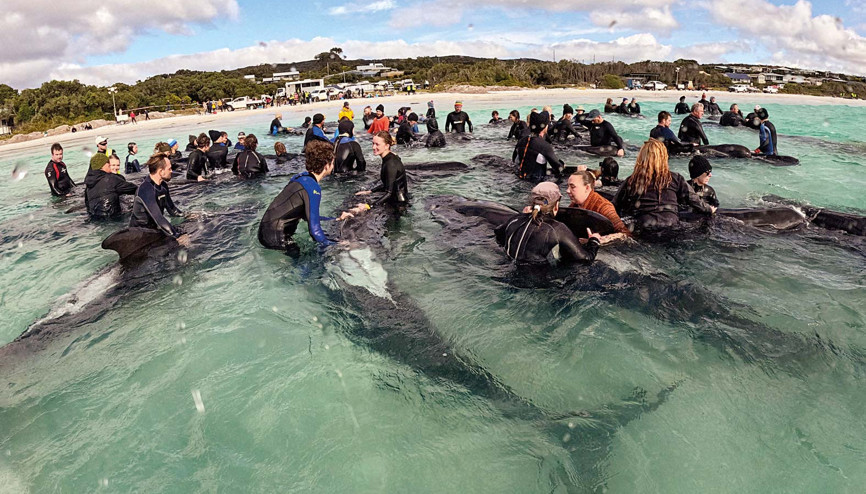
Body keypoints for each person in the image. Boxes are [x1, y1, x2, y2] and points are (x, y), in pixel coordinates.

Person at [258, 140, 354, 253]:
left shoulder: (300, 177)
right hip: (276, 238)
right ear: (327, 164)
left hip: (265, 232)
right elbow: (315, 231)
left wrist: (336, 219)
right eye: (333, 162)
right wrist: (339, 245)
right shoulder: (313, 188)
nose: (333, 166)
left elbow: (307, 217)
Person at [612, 139, 715, 231]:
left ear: (641, 158)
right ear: (664, 157)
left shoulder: (631, 180)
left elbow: (614, 206)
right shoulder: (675, 178)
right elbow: (694, 200)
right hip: (671, 225)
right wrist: (709, 209)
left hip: (644, 226)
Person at [494, 182, 601, 264]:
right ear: (556, 206)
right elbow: (586, 259)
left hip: (508, 273)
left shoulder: (515, 220)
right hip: (537, 286)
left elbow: (498, 234)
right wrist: (594, 241)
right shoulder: (558, 229)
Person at [130, 152, 189, 246]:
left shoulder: (163, 186)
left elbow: (172, 210)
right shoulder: (146, 189)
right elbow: (159, 218)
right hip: (140, 235)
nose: (171, 171)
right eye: (169, 169)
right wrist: (177, 236)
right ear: (161, 171)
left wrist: (188, 215)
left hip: (155, 229)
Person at [566, 170, 630, 240]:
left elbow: (625, 234)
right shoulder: (574, 205)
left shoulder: (604, 207)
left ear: (587, 188)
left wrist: (601, 240)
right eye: (568, 186)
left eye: (572, 187)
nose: (567, 191)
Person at [355, 131, 409, 208]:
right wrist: (370, 191)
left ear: (387, 146)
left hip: (399, 204)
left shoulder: (390, 164)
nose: (373, 147)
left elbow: (389, 193)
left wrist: (369, 206)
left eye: (377, 144)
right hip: (396, 199)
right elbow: (389, 184)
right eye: (373, 143)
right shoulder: (389, 158)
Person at [512, 111, 565, 182]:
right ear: (545, 127)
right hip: (535, 183)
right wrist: (562, 165)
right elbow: (558, 168)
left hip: (518, 179)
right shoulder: (544, 146)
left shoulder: (521, 141)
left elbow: (514, 159)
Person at [84, 153, 137, 219]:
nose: (115, 167)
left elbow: (87, 206)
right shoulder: (111, 179)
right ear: (104, 165)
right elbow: (136, 189)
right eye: (110, 164)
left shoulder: (88, 185)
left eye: (118, 165)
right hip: (114, 219)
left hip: (96, 220)